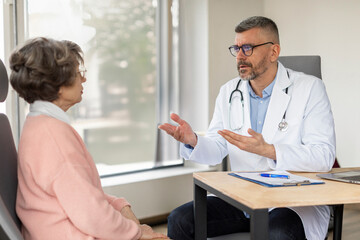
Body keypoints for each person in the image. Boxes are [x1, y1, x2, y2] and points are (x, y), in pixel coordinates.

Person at [159, 16, 336, 240]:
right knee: (180, 220)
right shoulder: (228, 91)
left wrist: (270, 150)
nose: (240, 56)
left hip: (292, 201)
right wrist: (193, 140)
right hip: (243, 198)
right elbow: (217, 146)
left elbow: (323, 156)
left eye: (248, 48)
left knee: (278, 233)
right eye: (236, 48)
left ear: (273, 52)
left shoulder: (310, 89)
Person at [10, 37, 168, 240]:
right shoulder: (54, 136)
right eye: (78, 74)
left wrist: (120, 206)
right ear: (58, 85)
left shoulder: (39, 123)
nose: (83, 80)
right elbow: (90, 214)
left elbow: (80, 195)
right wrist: (136, 233)